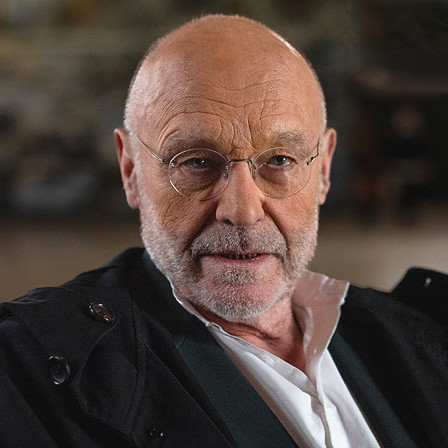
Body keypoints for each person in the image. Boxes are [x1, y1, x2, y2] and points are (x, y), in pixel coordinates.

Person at [0, 14, 447, 448]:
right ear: (130, 169)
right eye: (196, 162)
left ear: (324, 168)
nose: (243, 211)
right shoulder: (28, 374)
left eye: (279, 160)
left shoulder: (421, 338)